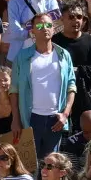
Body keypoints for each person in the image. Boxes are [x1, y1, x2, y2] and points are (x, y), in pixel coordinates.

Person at [10, 13, 76, 172]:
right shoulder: (23, 56)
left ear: (53, 29)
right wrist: (16, 120)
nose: (44, 29)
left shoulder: (63, 55)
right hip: (31, 118)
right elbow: (14, 90)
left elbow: (71, 86)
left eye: (47, 25)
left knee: (52, 167)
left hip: (56, 119)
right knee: (30, 168)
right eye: (39, 26)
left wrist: (65, 114)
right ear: (33, 31)